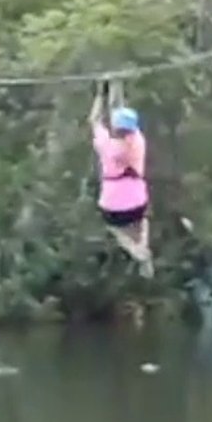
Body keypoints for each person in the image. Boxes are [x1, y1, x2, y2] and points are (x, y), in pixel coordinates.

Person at [89, 80, 154, 278]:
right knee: (141, 221)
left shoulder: (107, 145)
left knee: (115, 228)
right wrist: (117, 87)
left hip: (114, 202)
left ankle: (136, 250)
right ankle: (142, 246)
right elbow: (119, 110)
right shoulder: (138, 142)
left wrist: (101, 94)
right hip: (136, 199)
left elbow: (94, 120)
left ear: (115, 128)